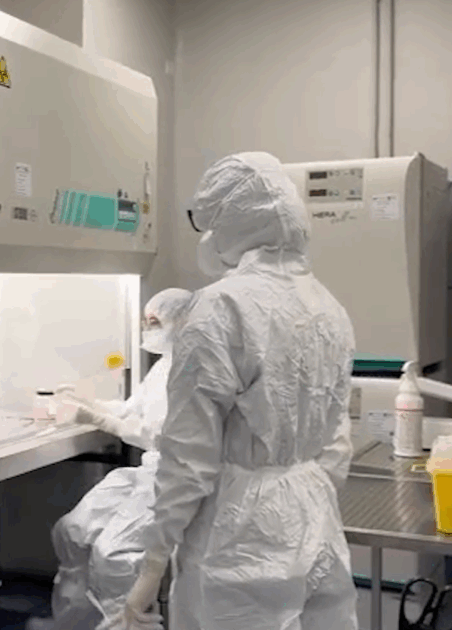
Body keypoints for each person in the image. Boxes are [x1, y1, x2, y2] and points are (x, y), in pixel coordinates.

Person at [120, 152, 359, 630]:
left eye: (210, 221)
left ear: (234, 221)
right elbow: (337, 442)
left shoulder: (219, 308)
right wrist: (301, 498)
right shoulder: (329, 307)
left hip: (239, 537)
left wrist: (152, 566)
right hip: (316, 520)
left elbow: (188, 459)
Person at [31, 288, 194, 630]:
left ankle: (122, 624)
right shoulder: (164, 366)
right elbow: (132, 410)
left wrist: (95, 419)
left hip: (174, 480)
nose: (147, 329)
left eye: (155, 322)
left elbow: (157, 435)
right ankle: (74, 622)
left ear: (182, 322)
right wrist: (87, 401)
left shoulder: (193, 372)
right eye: (145, 321)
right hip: (147, 472)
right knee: (71, 531)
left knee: (113, 554)